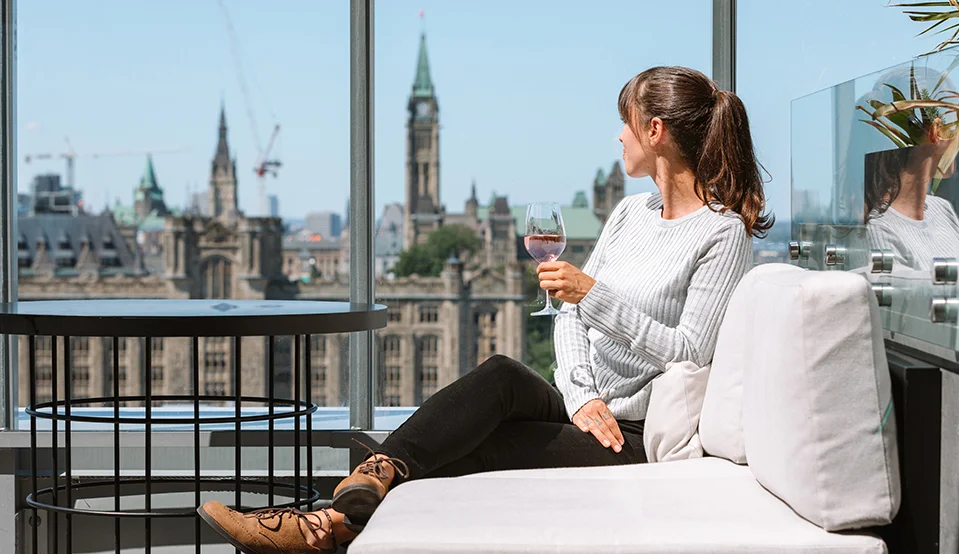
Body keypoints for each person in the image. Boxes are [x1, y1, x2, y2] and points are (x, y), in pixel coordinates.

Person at [197, 66, 771, 554]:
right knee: (499, 373)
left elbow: (693, 354)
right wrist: (581, 394)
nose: (619, 136)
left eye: (626, 122)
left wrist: (593, 295)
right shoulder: (629, 214)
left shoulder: (720, 234)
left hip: (635, 435)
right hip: (589, 407)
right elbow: (567, 314)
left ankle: (319, 528)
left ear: (656, 130)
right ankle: (366, 481)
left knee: (480, 445)